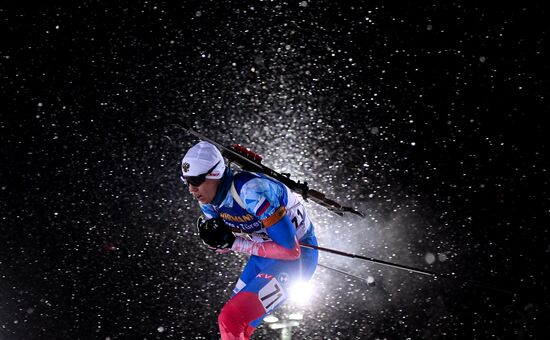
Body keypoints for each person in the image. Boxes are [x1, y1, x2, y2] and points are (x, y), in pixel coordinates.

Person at [180, 141, 319, 339]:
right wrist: (216, 241)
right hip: (264, 258)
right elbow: (223, 241)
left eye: (195, 180)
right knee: (237, 327)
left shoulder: (252, 191)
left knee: (230, 319)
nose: (191, 189)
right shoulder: (209, 202)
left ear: (215, 174)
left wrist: (235, 243)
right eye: (186, 181)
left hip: (298, 260)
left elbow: (291, 251)